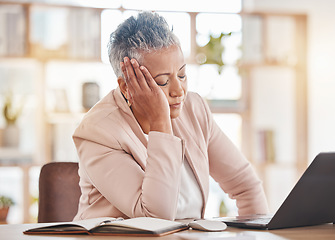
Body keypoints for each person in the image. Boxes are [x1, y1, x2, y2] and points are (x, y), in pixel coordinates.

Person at [73, 11, 268, 221]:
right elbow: (156, 218)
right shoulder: (97, 132)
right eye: (162, 81)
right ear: (126, 86)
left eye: (182, 75)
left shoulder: (193, 109)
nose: (179, 91)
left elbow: (246, 187)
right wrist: (160, 122)